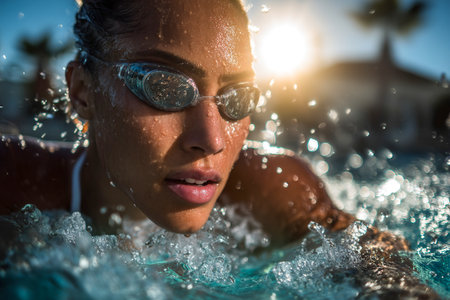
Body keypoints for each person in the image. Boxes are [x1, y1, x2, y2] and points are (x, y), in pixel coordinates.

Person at [0, 0, 389, 246]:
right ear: (83, 91)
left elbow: (380, 268)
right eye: (166, 87)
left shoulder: (275, 189)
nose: (213, 139)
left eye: (237, 97)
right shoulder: (14, 183)